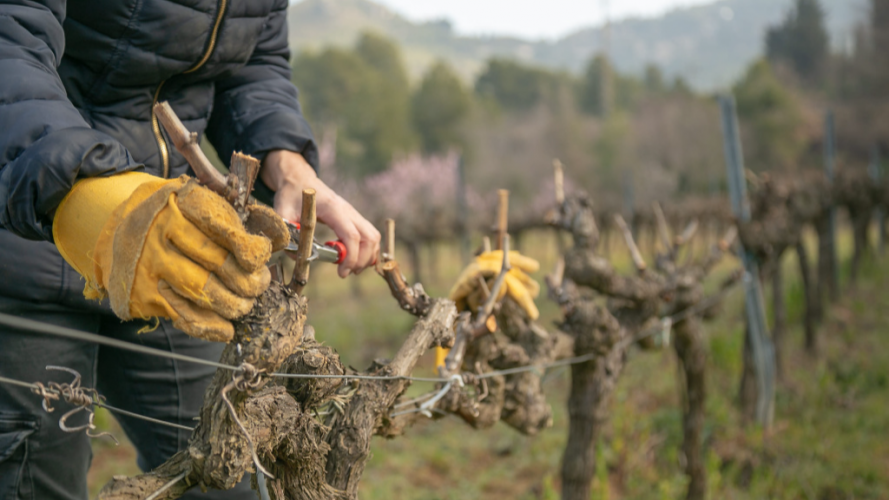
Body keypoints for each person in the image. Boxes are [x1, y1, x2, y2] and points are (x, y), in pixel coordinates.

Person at [0, 1, 380, 498]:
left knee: (225, 475)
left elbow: (254, 64)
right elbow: (11, 32)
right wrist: (84, 189)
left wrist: (289, 166)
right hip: (30, 228)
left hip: (173, 250)